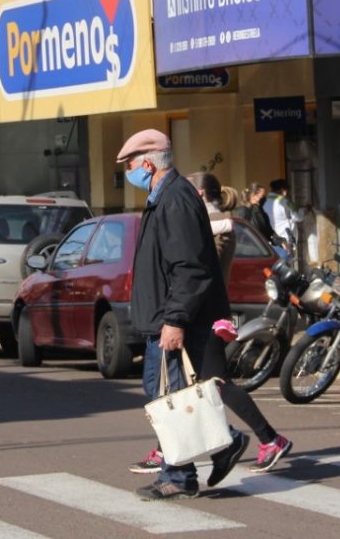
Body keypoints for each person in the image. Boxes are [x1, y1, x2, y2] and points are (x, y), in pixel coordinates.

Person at [118, 129, 291, 500]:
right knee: (171, 394)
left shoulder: (174, 199)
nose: (128, 172)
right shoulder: (163, 197)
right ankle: (212, 451)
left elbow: (189, 267)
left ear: (147, 163)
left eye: (130, 165)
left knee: (168, 396)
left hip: (175, 318)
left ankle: (183, 472)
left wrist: (174, 320)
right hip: (166, 316)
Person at [186, 172, 235, 286]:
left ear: (199, 193)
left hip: (209, 298)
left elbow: (206, 266)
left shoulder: (219, 221)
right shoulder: (209, 221)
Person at [265, 179, 297, 251]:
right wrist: (305, 211)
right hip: (286, 238)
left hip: (273, 238)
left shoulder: (266, 202)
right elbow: (296, 216)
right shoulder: (285, 202)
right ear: (283, 190)